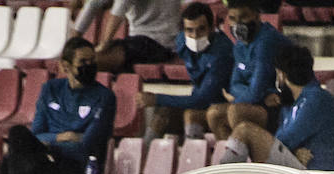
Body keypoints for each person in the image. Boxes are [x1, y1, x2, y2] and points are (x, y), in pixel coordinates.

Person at [0, 38, 117, 174]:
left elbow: (86, 144)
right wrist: (62, 137)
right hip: (46, 162)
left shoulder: (105, 97)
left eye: (92, 60)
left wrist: (50, 143)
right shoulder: (51, 88)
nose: (89, 65)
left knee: (13, 159)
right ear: (66, 66)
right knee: (17, 134)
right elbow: (37, 133)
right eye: (83, 61)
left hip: (73, 169)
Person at [217, 44, 334, 172]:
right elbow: (284, 142)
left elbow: (285, 140)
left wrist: (289, 149)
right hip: (300, 167)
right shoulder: (293, 101)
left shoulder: (316, 99)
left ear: (281, 75)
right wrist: (294, 151)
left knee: (245, 130)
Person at [138, 3, 232, 142]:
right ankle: (143, 155)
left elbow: (203, 99)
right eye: (190, 30)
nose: (195, 36)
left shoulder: (222, 52)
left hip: (221, 107)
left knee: (189, 114)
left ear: (212, 28)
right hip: (200, 100)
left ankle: (195, 156)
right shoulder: (182, 42)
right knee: (163, 112)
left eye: (201, 29)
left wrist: (157, 98)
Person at [205, 0, 287, 142]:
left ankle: (253, 159)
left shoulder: (267, 41)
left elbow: (254, 93)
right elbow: (234, 86)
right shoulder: (239, 46)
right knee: (214, 113)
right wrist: (263, 95)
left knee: (236, 111)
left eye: (243, 17)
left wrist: (249, 96)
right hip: (263, 102)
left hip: (281, 107)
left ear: (257, 16)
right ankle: (233, 161)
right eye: (232, 18)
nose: (237, 23)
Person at [69, 0, 179, 73]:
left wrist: (104, 45)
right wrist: (70, 46)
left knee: (86, 63)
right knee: (74, 60)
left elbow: (118, 11)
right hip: (139, 41)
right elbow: (93, 3)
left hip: (161, 45)